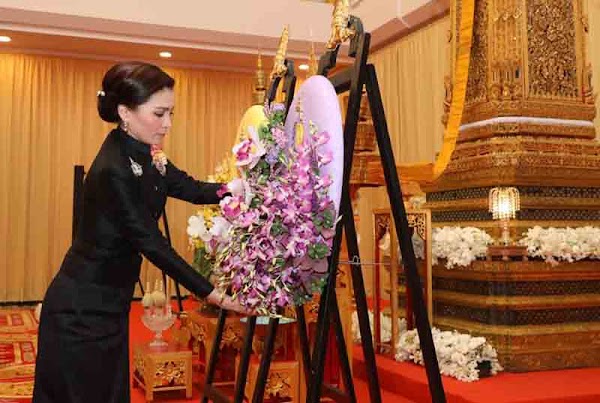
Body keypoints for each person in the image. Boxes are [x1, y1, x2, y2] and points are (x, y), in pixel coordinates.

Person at [33, 61, 249, 403]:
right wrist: (214, 294)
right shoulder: (113, 168)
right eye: (159, 113)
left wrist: (237, 189)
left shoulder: (146, 153)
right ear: (125, 113)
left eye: (171, 113)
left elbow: (189, 187)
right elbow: (152, 243)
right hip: (81, 311)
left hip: (111, 305)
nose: (168, 123)